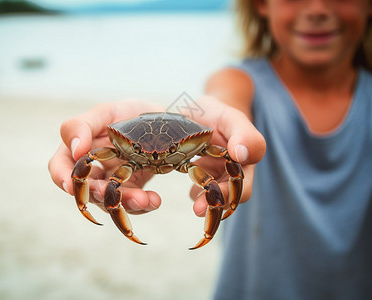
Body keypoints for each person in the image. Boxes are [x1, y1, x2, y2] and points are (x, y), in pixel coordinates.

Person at [49, 0, 372, 298]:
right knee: (111, 183)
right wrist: (184, 113)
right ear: (261, 4)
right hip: (253, 288)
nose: (317, 9)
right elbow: (213, 101)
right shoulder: (237, 78)